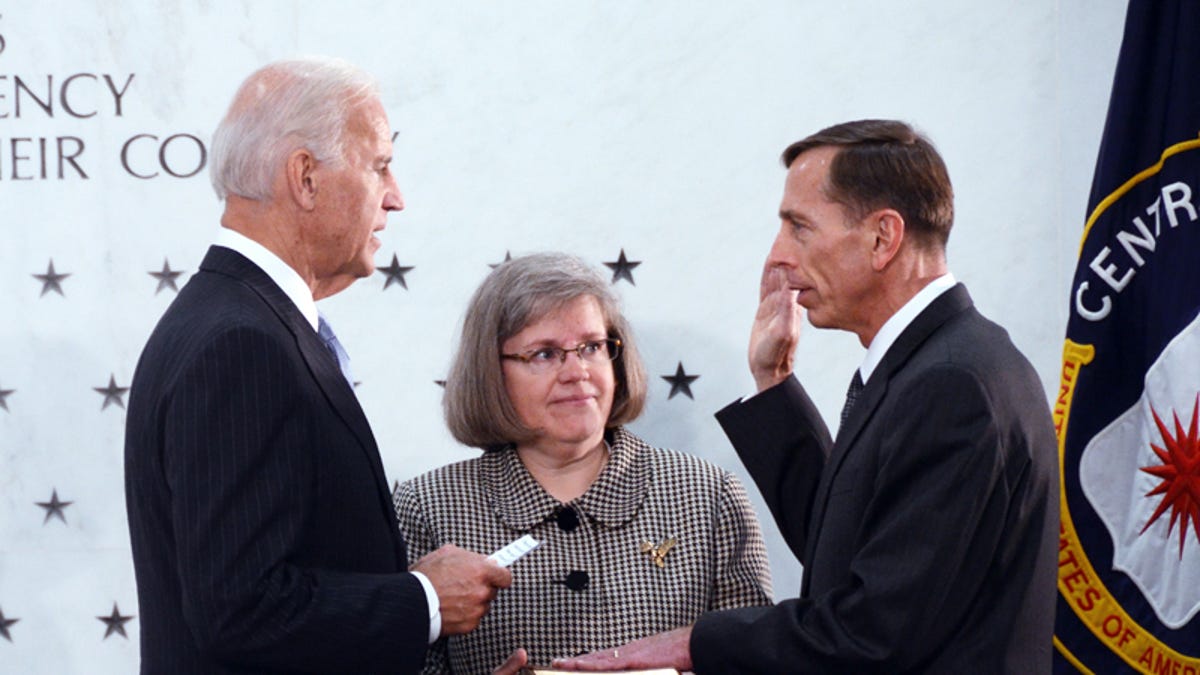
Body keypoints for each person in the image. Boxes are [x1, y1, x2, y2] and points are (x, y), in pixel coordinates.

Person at [555, 119, 1059, 673]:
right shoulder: (933, 361)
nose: (777, 257)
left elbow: (874, 632)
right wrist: (774, 382)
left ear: (882, 238)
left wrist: (693, 642)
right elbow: (845, 549)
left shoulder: (952, 384)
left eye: (800, 228)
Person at [124, 57, 510, 674]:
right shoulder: (241, 345)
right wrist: (424, 599)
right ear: (305, 176)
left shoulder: (237, 318)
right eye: (380, 165)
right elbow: (239, 609)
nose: (396, 197)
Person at [393, 252, 773, 673]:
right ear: (491, 372)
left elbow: (755, 659)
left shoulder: (707, 493)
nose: (577, 372)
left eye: (592, 347)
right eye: (544, 354)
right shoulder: (426, 507)